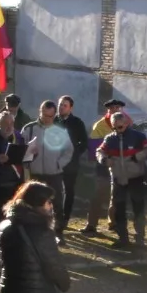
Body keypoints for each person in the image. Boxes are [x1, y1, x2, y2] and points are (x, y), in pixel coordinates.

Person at [96, 110, 147, 250]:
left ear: (126, 123)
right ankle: (123, 238)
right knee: (119, 209)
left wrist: (138, 156)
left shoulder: (138, 136)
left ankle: (140, 238)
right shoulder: (110, 139)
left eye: (120, 126)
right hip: (118, 178)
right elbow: (99, 151)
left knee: (138, 208)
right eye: (114, 126)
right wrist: (104, 159)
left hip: (136, 177)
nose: (117, 129)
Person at [20, 100, 73, 236]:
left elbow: (68, 150)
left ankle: (58, 232)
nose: (46, 118)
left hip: (54, 173)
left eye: (50, 116)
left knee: (57, 203)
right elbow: (20, 148)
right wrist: (27, 158)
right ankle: (36, 231)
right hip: (35, 173)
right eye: (44, 114)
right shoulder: (29, 129)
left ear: (54, 115)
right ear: (40, 112)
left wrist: (59, 164)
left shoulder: (60, 131)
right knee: (34, 203)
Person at [81, 99, 124, 234]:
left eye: (118, 108)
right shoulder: (100, 126)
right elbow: (95, 148)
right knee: (97, 195)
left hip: (120, 167)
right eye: (113, 108)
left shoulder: (126, 123)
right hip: (103, 165)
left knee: (116, 196)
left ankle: (113, 223)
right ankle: (91, 224)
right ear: (108, 110)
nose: (116, 110)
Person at [56, 96, 89, 233]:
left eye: (65, 105)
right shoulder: (53, 121)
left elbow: (84, 142)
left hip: (71, 163)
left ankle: (65, 218)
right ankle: (54, 217)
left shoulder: (77, 122)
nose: (61, 107)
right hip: (54, 161)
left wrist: (74, 154)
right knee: (54, 190)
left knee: (68, 190)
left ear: (71, 108)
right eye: (60, 104)